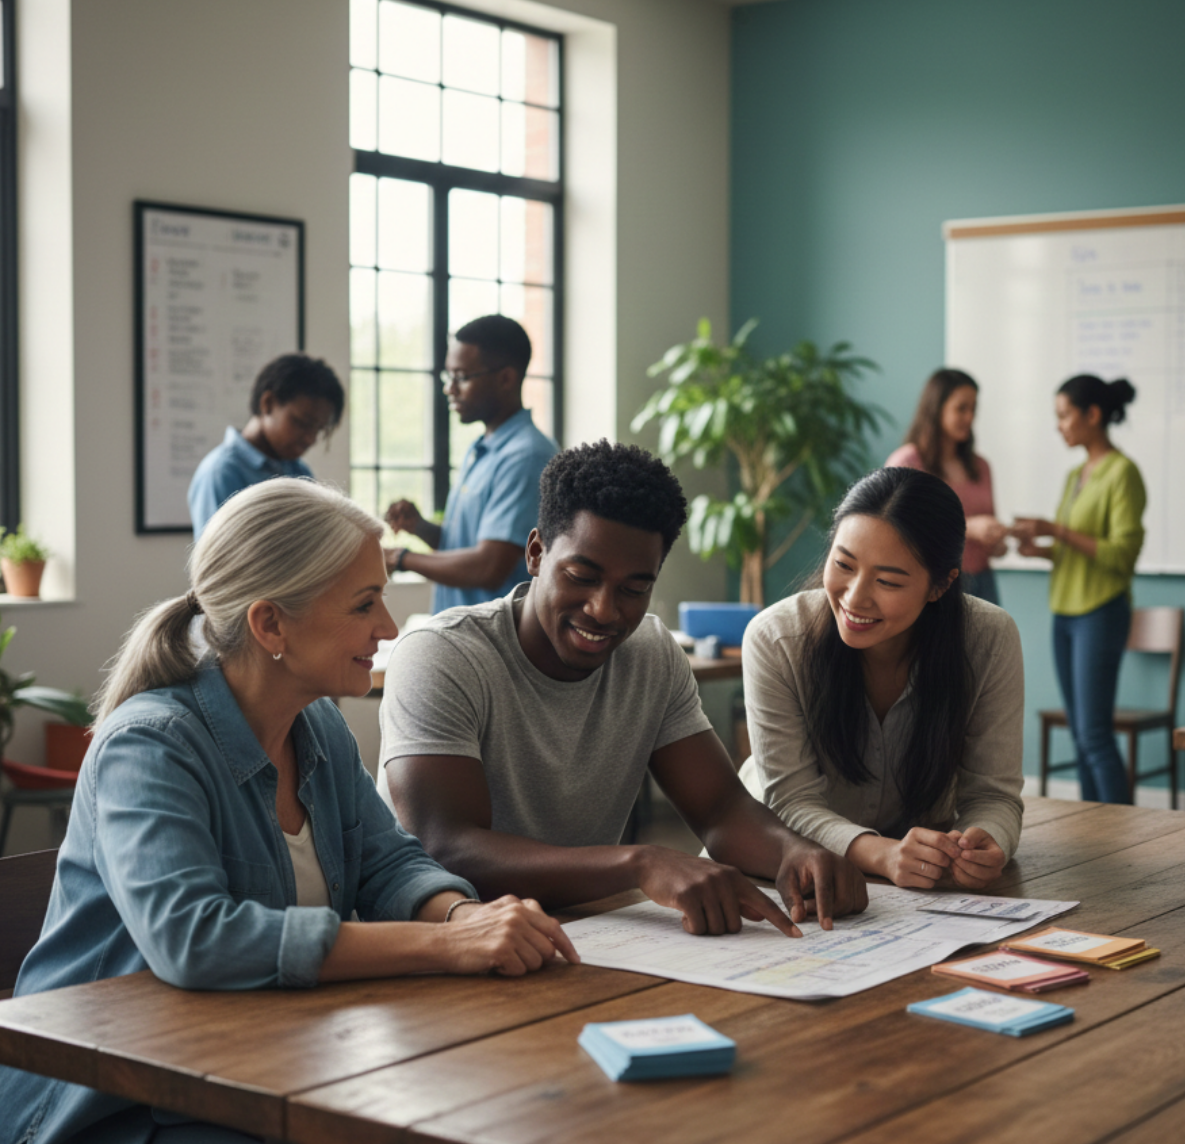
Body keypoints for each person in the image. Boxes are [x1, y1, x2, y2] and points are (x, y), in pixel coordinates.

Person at [0, 478, 575, 1144]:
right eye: (364, 603)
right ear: (269, 623)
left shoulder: (316, 724)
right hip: (114, 1107)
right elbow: (195, 938)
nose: (387, 627)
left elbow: (389, 863)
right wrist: (446, 943)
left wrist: (470, 916)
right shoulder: (148, 744)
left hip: (252, 1066)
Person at [379, 440, 868, 937]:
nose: (604, 610)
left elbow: (721, 809)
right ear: (535, 553)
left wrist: (795, 851)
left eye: (634, 590)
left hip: (581, 935)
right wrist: (640, 864)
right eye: (581, 576)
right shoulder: (442, 655)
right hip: (441, 944)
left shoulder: (651, 653)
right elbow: (444, 846)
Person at [740, 467, 1024, 891]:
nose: (854, 598)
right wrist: (883, 854)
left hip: (916, 885)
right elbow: (791, 802)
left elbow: (993, 795)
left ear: (940, 586)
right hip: (777, 866)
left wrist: (986, 841)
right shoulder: (776, 638)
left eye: (888, 580)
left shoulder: (988, 639)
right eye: (843, 564)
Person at [1009, 375, 1146, 806]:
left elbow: (1121, 554)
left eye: (1065, 415)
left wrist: (1056, 530)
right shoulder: (1074, 475)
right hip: (1065, 614)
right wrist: (1044, 551)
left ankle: (1124, 833)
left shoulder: (1122, 473)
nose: (1060, 426)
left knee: (1094, 735)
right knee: (1081, 736)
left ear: (1093, 415)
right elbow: (1078, 551)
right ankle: (1096, 835)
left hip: (1100, 613)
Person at [384, 315, 557, 612]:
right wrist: (422, 528)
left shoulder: (525, 456)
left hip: (493, 647)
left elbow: (489, 567)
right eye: (447, 376)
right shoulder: (481, 449)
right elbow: (467, 548)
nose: (449, 389)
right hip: (464, 638)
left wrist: (399, 558)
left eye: (461, 377)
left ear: (505, 378)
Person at [187, 353, 345, 538]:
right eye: (302, 423)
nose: (311, 439)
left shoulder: (300, 472)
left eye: (319, 429)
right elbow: (220, 563)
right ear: (268, 403)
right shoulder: (222, 472)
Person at [886, 368, 1006, 604]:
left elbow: (990, 536)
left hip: (982, 581)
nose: (970, 417)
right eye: (961, 408)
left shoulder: (981, 466)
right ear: (936, 408)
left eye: (973, 409)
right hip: (932, 584)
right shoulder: (906, 462)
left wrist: (997, 541)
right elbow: (895, 528)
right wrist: (969, 528)